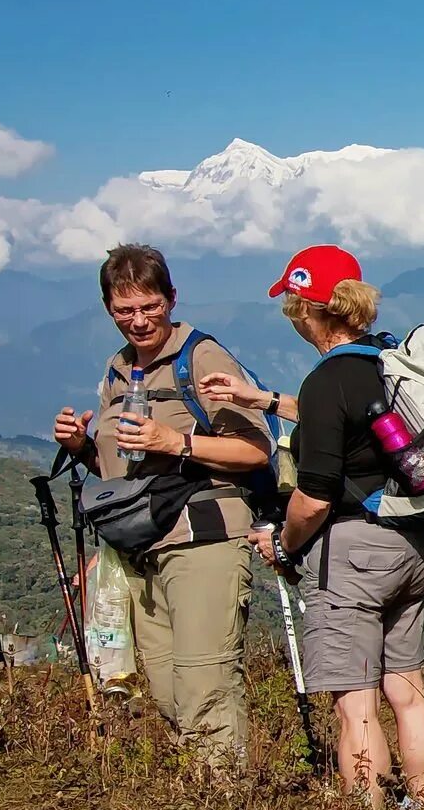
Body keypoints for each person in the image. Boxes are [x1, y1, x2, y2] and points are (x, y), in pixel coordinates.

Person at [51, 244, 272, 767]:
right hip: (142, 545)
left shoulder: (201, 358)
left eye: (149, 306)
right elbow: (121, 467)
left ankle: (225, 809)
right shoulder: (118, 369)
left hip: (204, 536)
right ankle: (200, 803)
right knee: (168, 687)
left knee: (205, 680)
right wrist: (81, 446)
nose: (138, 320)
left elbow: (254, 449)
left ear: (171, 299)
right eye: (124, 310)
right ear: (108, 309)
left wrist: (178, 444)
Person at [238, 245, 424, 806]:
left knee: (356, 703)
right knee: (406, 686)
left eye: (294, 305)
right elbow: (359, 430)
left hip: (352, 554)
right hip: (414, 542)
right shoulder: (387, 363)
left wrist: (283, 543)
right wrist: (266, 401)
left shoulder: (326, 381)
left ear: (309, 308)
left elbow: (315, 498)